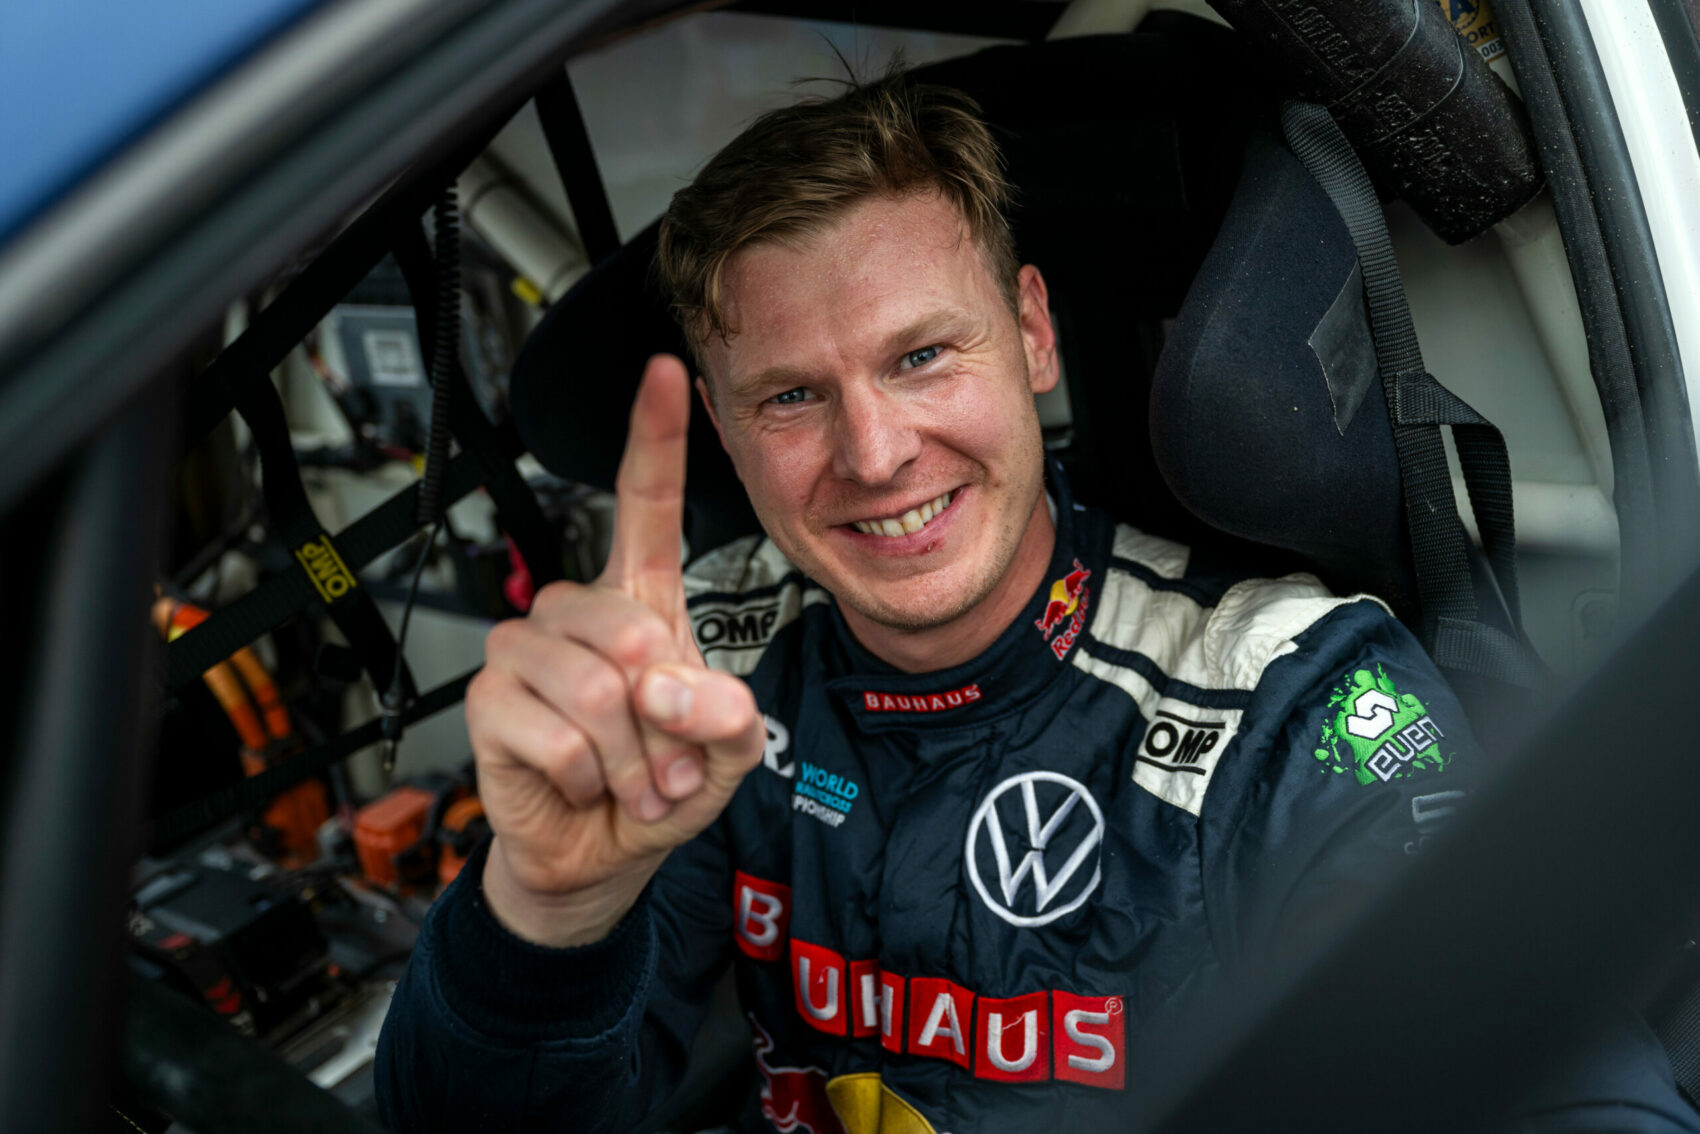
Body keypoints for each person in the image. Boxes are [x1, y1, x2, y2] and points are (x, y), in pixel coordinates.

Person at [374, 74, 1697, 1133]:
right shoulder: (700, 668)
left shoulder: (1285, 696)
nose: (874, 453)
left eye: (921, 355)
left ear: (1033, 335)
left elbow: (1556, 1078)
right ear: (721, 428)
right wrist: (543, 914)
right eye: (791, 395)